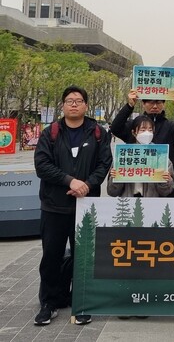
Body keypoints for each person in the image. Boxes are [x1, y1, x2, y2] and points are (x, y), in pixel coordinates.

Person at [33, 86, 112, 326]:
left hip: (86, 206)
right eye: (69, 101)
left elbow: (104, 163)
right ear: (63, 106)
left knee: (84, 257)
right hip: (54, 206)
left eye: (79, 101)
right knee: (51, 257)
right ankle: (50, 302)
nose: (74, 104)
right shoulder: (51, 133)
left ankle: (83, 303)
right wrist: (70, 181)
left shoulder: (98, 133)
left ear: (86, 105)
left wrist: (87, 185)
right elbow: (42, 165)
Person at [110, 90, 174, 197]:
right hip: (132, 189)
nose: (155, 106)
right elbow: (115, 128)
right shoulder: (134, 125)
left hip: (161, 187)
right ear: (143, 104)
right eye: (151, 102)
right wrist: (129, 106)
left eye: (159, 102)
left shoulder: (169, 126)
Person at [107, 115, 174, 198]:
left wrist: (166, 180)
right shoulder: (124, 155)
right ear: (134, 132)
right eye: (143, 130)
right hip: (128, 203)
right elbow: (112, 192)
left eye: (150, 130)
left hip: (152, 204)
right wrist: (115, 178)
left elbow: (166, 192)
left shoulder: (160, 156)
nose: (147, 133)